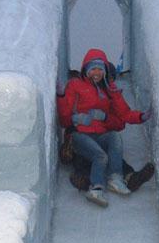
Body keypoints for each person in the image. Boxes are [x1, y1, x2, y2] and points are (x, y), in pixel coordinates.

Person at [57, 48, 151, 207]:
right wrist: (63, 100)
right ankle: (91, 184)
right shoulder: (75, 85)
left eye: (100, 69)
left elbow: (123, 116)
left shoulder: (110, 90)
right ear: (85, 69)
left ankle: (119, 178)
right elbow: (64, 117)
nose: (97, 72)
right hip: (80, 133)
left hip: (101, 133)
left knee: (113, 141)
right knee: (96, 156)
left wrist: (140, 117)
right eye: (93, 68)